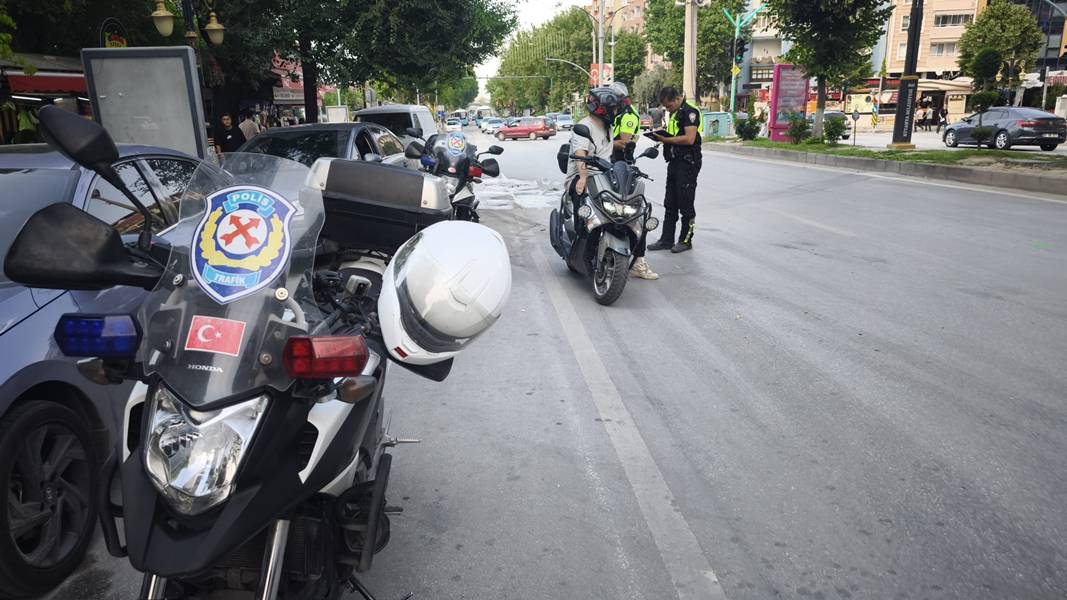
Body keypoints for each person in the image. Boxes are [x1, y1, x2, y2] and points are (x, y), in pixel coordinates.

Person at [564, 86, 658, 281]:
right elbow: (581, 155)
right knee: (585, 211)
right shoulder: (584, 127)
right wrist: (582, 177)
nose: (616, 112)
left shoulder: (608, 126)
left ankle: (638, 259)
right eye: (614, 109)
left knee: (638, 208)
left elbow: (608, 150)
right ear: (603, 108)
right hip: (582, 177)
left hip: (603, 176)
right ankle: (578, 247)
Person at [648, 86, 703, 254]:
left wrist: (666, 139)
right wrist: (661, 137)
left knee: (686, 203)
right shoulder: (676, 113)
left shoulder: (690, 112)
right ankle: (666, 239)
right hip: (674, 162)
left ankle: (686, 240)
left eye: (669, 105)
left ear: (678, 99)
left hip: (687, 164)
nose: (668, 109)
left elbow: (689, 138)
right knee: (670, 203)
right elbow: (674, 135)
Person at [609, 82, 641, 164]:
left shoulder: (628, 115)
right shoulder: (621, 112)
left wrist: (601, 145)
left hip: (621, 161)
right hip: (614, 158)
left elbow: (624, 143)